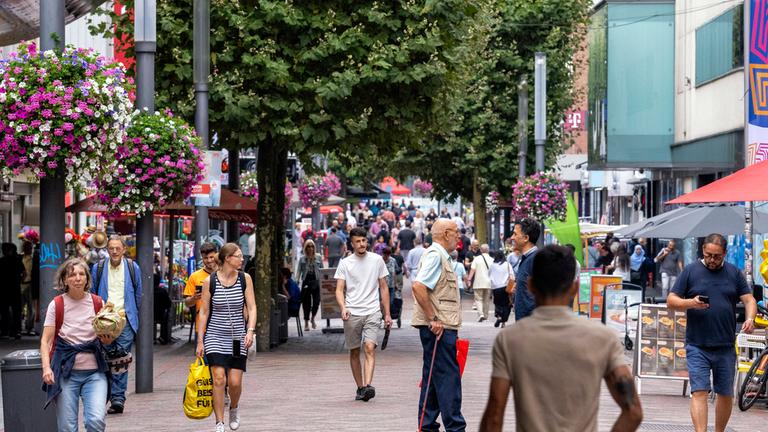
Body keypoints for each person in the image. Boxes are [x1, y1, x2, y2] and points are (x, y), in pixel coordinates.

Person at [480, 245, 643, 432]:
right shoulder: (603, 338)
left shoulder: (510, 340)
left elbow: (494, 416)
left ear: (530, 285)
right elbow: (633, 411)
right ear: (575, 288)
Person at [667, 233, 756, 432]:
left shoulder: (734, 273)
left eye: (717, 256)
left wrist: (750, 318)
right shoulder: (690, 271)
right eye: (708, 255)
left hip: (725, 345)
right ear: (703, 251)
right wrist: (691, 303)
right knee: (699, 391)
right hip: (697, 345)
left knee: (725, 394)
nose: (712, 260)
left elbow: (749, 300)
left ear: (725, 253)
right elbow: (671, 301)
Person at [41, 258, 114, 432]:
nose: (78, 278)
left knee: (96, 420)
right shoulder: (57, 304)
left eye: (82, 274)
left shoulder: (98, 303)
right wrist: (46, 368)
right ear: (65, 280)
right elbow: (46, 340)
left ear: (87, 279)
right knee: (67, 427)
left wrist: (108, 338)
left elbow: (107, 339)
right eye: (72, 275)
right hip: (66, 373)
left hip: (95, 373)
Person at [411, 219, 465, 432]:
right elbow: (419, 286)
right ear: (446, 233)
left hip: (439, 327)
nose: (459, 236)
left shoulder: (438, 255)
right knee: (448, 378)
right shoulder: (436, 255)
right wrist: (433, 318)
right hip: (438, 328)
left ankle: (427, 425)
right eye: (456, 232)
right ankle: (455, 427)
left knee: (433, 377)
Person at [196, 243, 257, 432]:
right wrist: (200, 340)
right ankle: (219, 422)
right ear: (228, 258)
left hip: (237, 337)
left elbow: (252, 307)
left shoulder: (245, 279)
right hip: (215, 336)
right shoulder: (210, 281)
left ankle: (234, 408)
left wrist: (250, 330)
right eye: (239, 256)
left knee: (234, 382)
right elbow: (204, 312)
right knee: (219, 379)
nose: (242, 259)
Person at [334, 227, 392, 402]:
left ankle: (367, 386)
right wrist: (343, 307)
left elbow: (384, 288)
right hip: (352, 312)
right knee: (354, 351)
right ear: (352, 244)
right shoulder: (345, 263)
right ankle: (360, 387)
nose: (361, 244)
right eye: (357, 241)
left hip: (372, 311)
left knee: (369, 347)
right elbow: (339, 289)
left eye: (364, 241)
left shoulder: (377, 260)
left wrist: (387, 314)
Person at [91, 236, 142, 415]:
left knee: (121, 358)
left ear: (123, 250)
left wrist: (132, 315)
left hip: (125, 320)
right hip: (105, 320)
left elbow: (138, 294)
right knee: (106, 357)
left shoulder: (132, 268)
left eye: (117, 248)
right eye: (111, 248)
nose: (114, 251)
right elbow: (93, 294)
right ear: (107, 249)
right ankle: (107, 394)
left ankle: (118, 398)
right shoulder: (98, 268)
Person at [183, 242, 219, 341]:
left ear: (217, 255)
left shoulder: (225, 274)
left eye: (211, 257)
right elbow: (187, 303)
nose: (209, 260)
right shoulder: (195, 276)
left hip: (224, 327)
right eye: (205, 258)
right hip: (203, 327)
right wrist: (193, 298)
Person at [512, 218, 540, 321]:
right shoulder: (527, 259)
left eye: (515, 234)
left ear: (526, 238)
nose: (512, 238)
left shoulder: (536, 260)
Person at [297, 240, 323, 331]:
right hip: (306, 281)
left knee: (316, 302)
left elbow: (322, 270)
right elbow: (299, 271)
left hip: (316, 281)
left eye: (312, 246)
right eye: (308, 246)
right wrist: (297, 281)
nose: (310, 248)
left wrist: (323, 281)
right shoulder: (302, 258)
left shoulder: (318, 257)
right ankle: (306, 323)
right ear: (305, 248)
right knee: (306, 303)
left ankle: (313, 318)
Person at [0, 242, 24, 338]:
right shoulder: (17, 260)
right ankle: (16, 331)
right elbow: (24, 273)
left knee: (4, 311)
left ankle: (5, 331)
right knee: (16, 311)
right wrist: (20, 281)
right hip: (15, 289)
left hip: (3, 289)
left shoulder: (1, 261)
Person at [467, 244, 492, 322]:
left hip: (478, 282)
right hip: (488, 283)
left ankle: (481, 314)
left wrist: (469, 279)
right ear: (488, 250)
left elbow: (472, 270)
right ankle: (486, 316)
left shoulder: (477, 259)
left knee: (478, 299)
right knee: (486, 300)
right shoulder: (492, 260)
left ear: (481, 250)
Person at [489, 251, 513, 328]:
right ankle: (503, 322)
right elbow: (512, 276)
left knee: (497, 304)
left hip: (495, 288)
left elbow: (489, 275)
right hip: (505, 287)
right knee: (506, 304)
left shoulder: (492, 265)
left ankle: (499, 316)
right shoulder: (507, 264)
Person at [20, 240, 35, 335]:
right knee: (19, 307)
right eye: (26, 247)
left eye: (30, 247)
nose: (28, 249)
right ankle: (19, 327)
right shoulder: (20, 258)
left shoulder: (34, 259)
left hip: (30, 284)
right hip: (20, 285)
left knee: (31, 308)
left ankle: (30, 327)